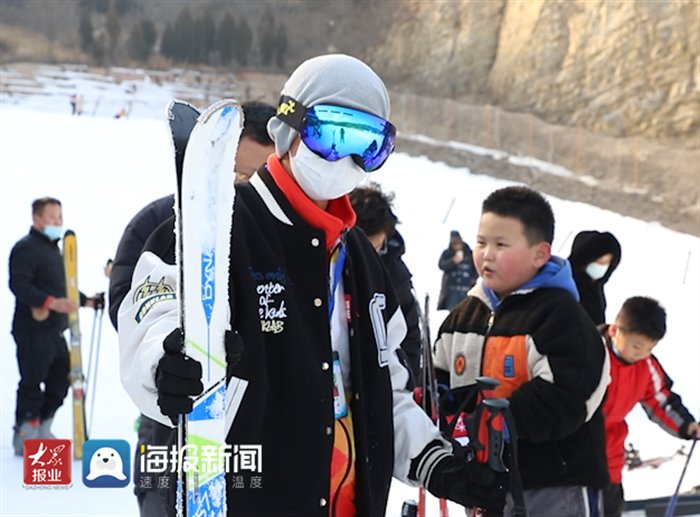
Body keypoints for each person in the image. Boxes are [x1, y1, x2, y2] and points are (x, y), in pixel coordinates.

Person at [119, 54, 506, 516]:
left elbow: (386, 392)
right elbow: (155, 312)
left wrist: (438, 465)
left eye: (367, 145)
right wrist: (166, 362)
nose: (345, 158)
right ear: (289, 128)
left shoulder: (361, 259)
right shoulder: (217, 226)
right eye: (331, 135)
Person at [108, 100, 275, 517]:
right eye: (237, 173)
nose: (244, 188)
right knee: (162, 504)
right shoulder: (159, 222)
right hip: (170, 415)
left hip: (249, 429)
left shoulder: (275, 240)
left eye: (258, 178)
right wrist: (167, 356)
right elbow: (130, 307)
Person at [433, 185, 611, 516]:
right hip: (485, 484)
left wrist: (493, 424)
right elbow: (439, 374)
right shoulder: (464, 315)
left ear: (539, 254)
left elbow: (568, 396)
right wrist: (441, 406)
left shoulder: (562, 316)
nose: (486, 254)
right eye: (482, 242)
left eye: (501, 245)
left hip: (553, 484)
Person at [9, 197, 99, 454]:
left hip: (54, 332)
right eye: (52, 217)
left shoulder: (54, 251)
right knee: (32, 381)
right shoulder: (26, 248)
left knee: (61, 378)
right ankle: (26, 434)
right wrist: (50, 302)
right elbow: (19, 284)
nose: (57, 222)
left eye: (60, 217)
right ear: (37, 219)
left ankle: (44, 426)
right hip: (33, 329)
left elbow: (63, 290)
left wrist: (86, 301)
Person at [599, 296, 700, 517]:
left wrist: (686, 425)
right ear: (615, 330)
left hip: (611, 450)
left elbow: (661, 399)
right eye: (636, 346)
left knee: (609, 505)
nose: (641, 353)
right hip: (574, 447)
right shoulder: (592, 352)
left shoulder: (646, 366)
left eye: (649, 348)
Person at [348, 182, 421, 381]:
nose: (367, 257)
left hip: (381, 377)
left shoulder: (396, 275)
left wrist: (408, 381)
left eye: (375, 248)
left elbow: (410, 337)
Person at [568, 230, 622, 325]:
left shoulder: (596, 291)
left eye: (605, 264)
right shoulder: (565, 285)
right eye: (598, 262)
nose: (600, 267)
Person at [437, 230, 477, 311]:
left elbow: (477, 266)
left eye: (458, 243)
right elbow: (441, 265)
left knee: (467, 313)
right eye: (454, 244)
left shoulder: (469, 253)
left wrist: (474, 278)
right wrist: (453, 261)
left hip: (466, 290)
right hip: (452, 291)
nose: (457, 246)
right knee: (453, 314)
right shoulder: (447, 253)